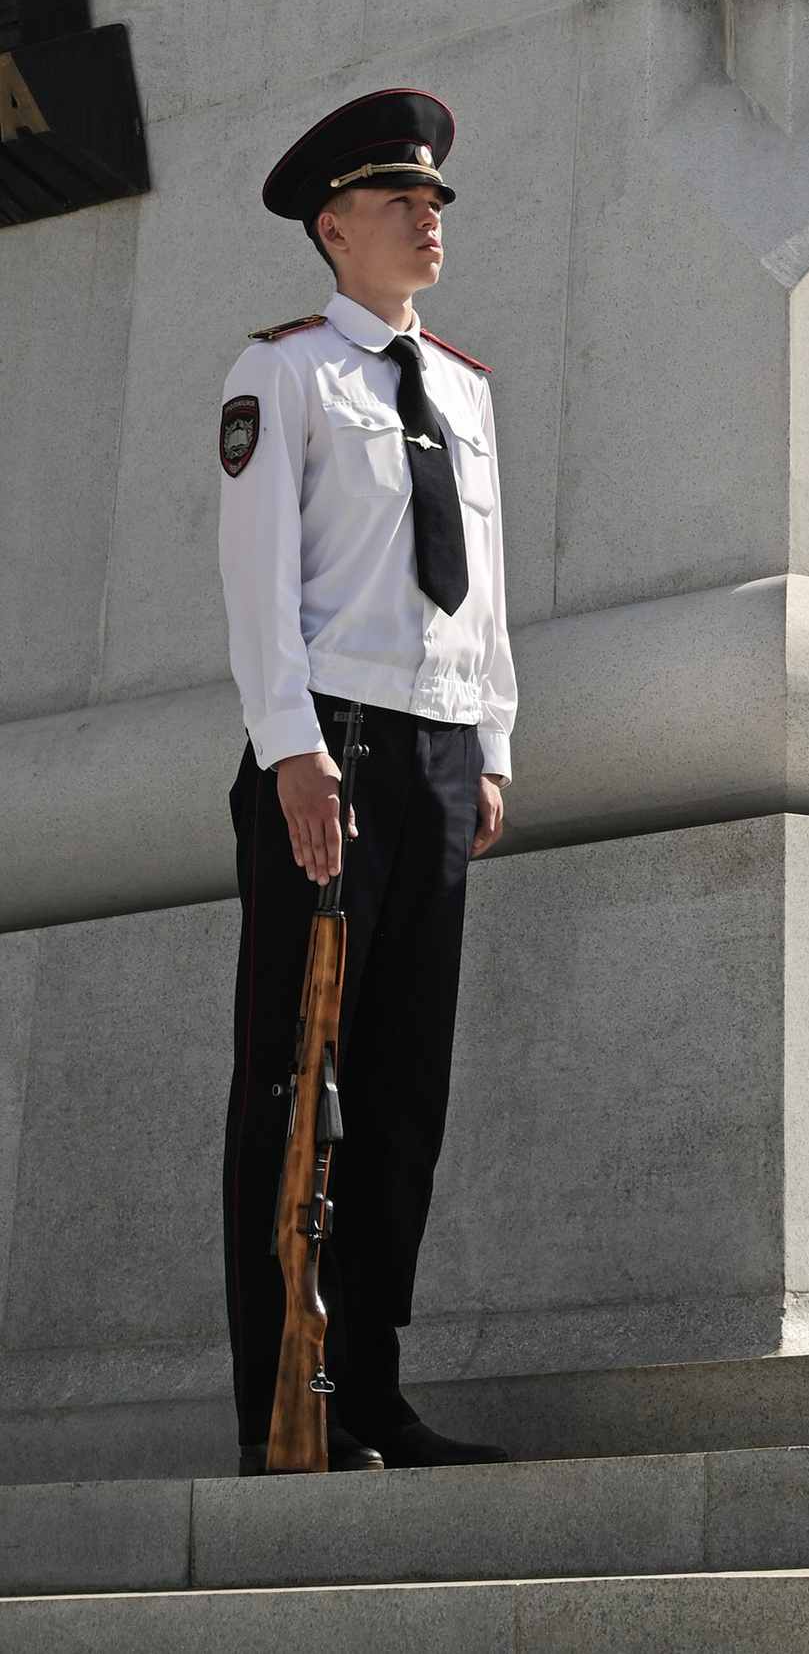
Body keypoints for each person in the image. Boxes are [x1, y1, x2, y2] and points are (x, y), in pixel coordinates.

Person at [215, 89, 515, 1473]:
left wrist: (490, 744)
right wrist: (290, 745)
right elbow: (258, 577)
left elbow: (481, 590)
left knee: (400, 1093)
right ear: (334, 227)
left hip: (437, 753)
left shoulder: (462, 385)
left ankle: (375, 1393)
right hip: (329, 746)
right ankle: (289, 1408)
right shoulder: (281, 372)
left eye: (435, 198)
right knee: (297, 1078)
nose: (427, 216)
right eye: (400, 199)